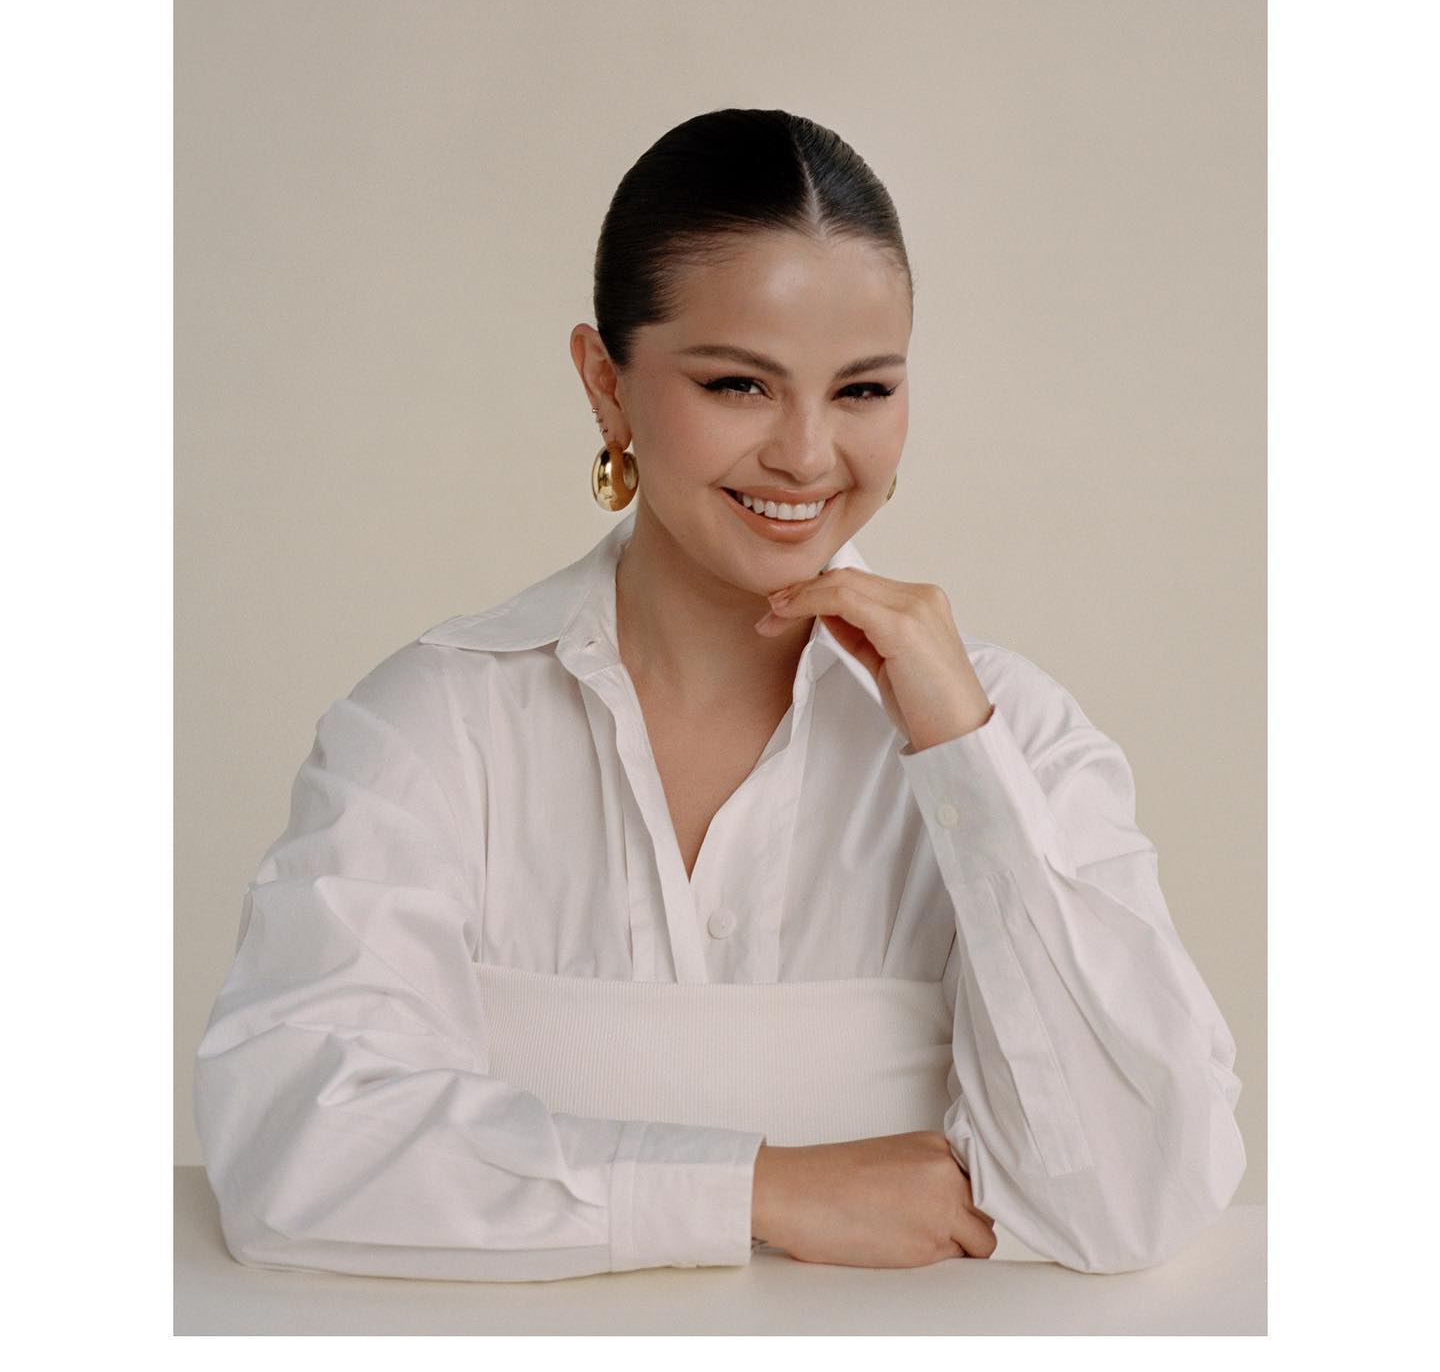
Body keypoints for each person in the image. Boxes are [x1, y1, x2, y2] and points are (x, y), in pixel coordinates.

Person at [192, 107, 1246, 1283]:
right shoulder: (437, 729)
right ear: (607, 385)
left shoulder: (1014, 737)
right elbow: (293, 1147)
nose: (807, 454)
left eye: (863, 390)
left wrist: (966, 762)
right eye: (741, 384)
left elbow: (1134, 1197)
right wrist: (763, 1189)